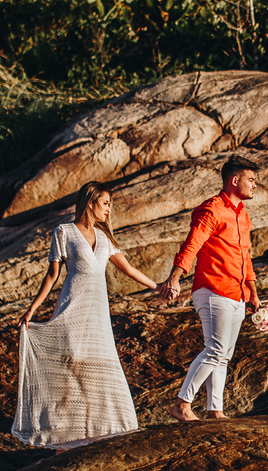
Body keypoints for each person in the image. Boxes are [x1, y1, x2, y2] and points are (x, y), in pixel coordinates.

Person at [14, 181, 159, 450]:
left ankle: (95, 435)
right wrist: (32, 309)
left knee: (100, 369)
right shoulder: (64, 231)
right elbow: (52, 275)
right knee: (72, 372)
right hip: (72, 307)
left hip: (98, 315)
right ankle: (63, 440)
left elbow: (128, 269)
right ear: (90, 202)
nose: (108, 210)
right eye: (105, 204)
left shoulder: (104, 238)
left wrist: (157, 286)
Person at [157, 156, 262, 422]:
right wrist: (175, 277)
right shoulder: (212, 210)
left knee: (223, 356)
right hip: (213, 288)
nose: (255, 185)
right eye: (251, 180)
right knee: (215, 349)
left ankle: (215, 410)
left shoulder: (243, 214)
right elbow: (191, 245)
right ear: (234, 180)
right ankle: (182, 404)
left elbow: (245, 257)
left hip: (237, 292)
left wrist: (253, 292)